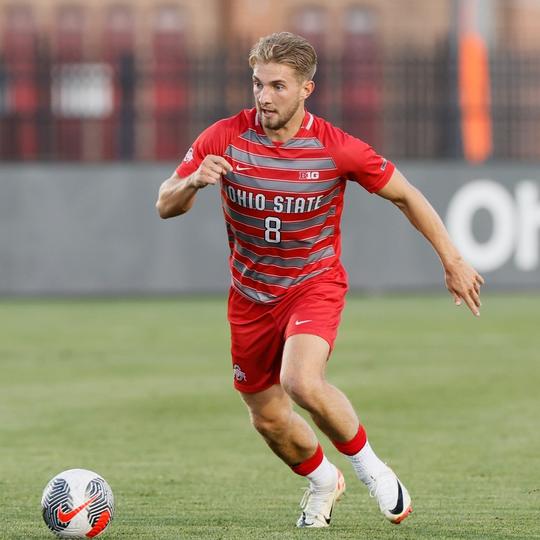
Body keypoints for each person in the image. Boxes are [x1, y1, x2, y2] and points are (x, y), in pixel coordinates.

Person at [156, 32, 484, 529]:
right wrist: (192, 181)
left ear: (307, 89)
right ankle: (324, 480)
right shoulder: (223, 137)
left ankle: (371, 468)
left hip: (314, 283)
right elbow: (165, 204)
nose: (264, 97)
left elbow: (406, 195)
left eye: (277, 86)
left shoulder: (335, 148)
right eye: (257, 84)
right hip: (250, 296)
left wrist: (452, 259)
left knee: (301, 381)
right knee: (266, 417)